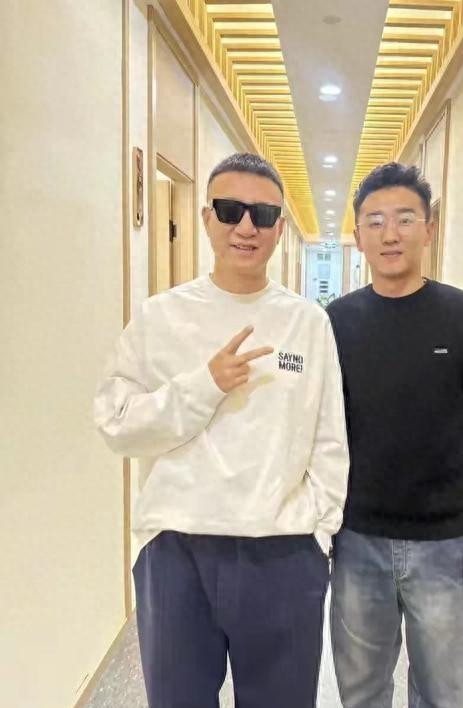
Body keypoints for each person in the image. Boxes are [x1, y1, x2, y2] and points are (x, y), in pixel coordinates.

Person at [94, 152, 349, 708]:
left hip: (284, 553)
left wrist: (318, 534)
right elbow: (116, 425)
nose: (246, 227)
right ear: (207, 217)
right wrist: (203, 385)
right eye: (231, 210)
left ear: (280, 227)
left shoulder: (308, 322)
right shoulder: (161, 317)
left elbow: (331, 440)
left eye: (263, 214)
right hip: (176, 551)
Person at [326, 162, 463, 708]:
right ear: (358, 235)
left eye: (405, 218)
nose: (390, 233)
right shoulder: (335, 322)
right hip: (356, 539)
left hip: (446, 545)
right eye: (375, 220)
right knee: (361, 692)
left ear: (429, 228)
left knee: (442, 694)